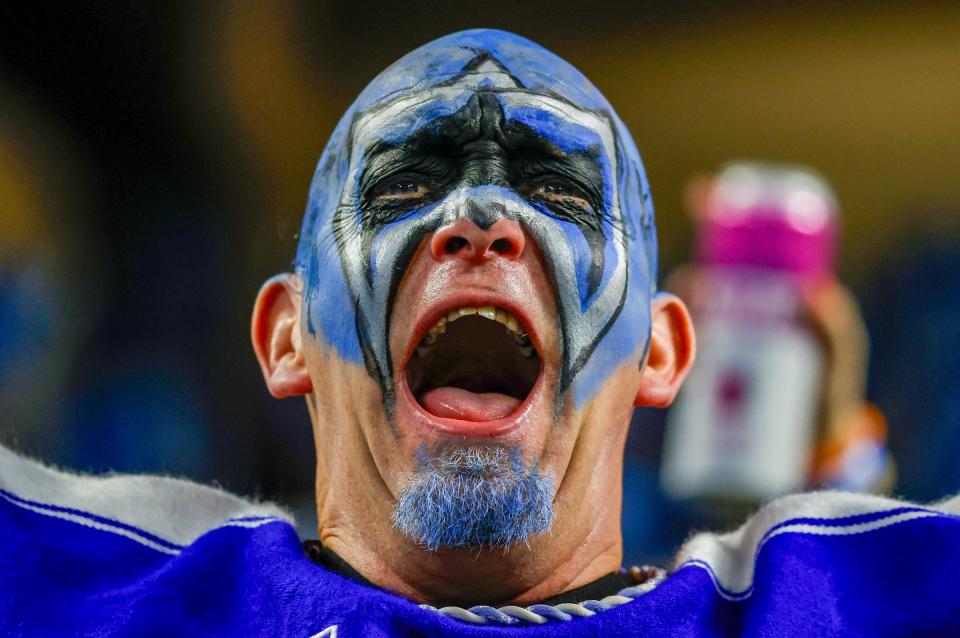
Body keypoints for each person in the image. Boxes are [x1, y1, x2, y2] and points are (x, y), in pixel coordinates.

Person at [1, 29, 958, 637]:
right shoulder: (128, 591)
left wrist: (832, 450)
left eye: (558, 190)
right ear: (287, 335)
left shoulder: (792, 610)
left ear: (662, 351)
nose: (482, 213)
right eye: (404, 185)